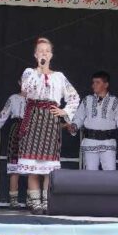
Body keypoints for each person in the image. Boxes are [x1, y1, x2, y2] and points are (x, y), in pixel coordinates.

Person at [17, 38, 80, 215]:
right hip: (33, 118)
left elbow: (74, 97)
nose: (44, 53)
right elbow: (25, 89)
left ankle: (47, 202)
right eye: (40, 51)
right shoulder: (29, 72)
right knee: (32, 166)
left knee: (47, 167)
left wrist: (64, 111)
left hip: (50, 121)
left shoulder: (59, 77)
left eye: (47, 51)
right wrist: (39, 69)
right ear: (35, 55)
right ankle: (35, 203)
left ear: (51, 55)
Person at [72, 71, 118, 171]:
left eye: (97, 82)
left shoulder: (115, 101)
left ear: (106, 85)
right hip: (90, 142)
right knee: (90, 172)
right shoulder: (87, 100)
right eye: (93, 82)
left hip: (108, 143)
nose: (94, 85)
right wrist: (74, 126)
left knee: (110, 171)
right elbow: (79, 117)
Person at [0, 81, 27, 208]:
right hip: (16, 132)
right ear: (19, 82)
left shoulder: (36, 99)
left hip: (31, 132)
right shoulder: (13, 98)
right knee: (14, 165)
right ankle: (13, 199)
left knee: (32, 165)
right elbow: (3, 115)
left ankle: (32, 199)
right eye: (24, 80)